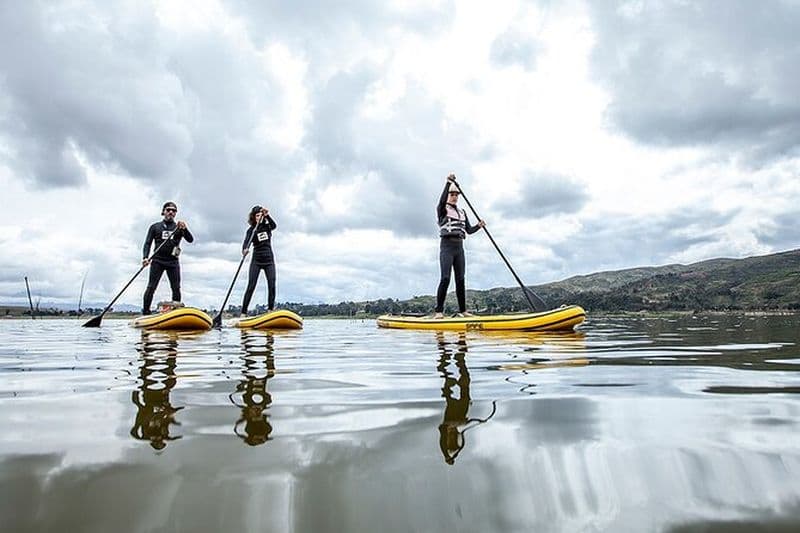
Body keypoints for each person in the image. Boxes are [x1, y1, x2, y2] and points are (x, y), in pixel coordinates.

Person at [434, 174, 485, 318]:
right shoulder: (442, 209)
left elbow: (468, 230)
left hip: (459, 247)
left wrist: (479, 226)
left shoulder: (462, 212)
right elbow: (441, 200)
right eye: (452, 194)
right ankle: (439, 311)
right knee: (445, 278)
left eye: (456, 195)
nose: (454, 197)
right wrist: (448, 183)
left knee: (461, 279)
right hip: (447, 246)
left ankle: (463, 310)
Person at [141, 201, 194, 315]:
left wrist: (185, 229)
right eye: (168, 210)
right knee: (151, 287)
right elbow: (147, 243)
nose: (171, 212)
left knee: (176, 288)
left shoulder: (178, 227)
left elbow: (190, 240)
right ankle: (145, 312)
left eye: (173, 210)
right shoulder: (155, 227)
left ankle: (177, 312)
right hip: (157, 261)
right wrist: (145, 257)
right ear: (163, 212)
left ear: (175, 213)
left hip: (172, 262)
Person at [240, 205, 278, 316]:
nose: (259, 218)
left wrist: (268, 215)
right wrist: (245, 249)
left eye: (261, 216)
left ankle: (270, 310)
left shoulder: (267, 227)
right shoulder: (251, 230)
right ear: (254, 217)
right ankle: (243, 312)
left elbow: (274, 226)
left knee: (272, 284)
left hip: (269, 260)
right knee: (251, 285)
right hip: (256, 260)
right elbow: (246, 242)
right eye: (257, 216)